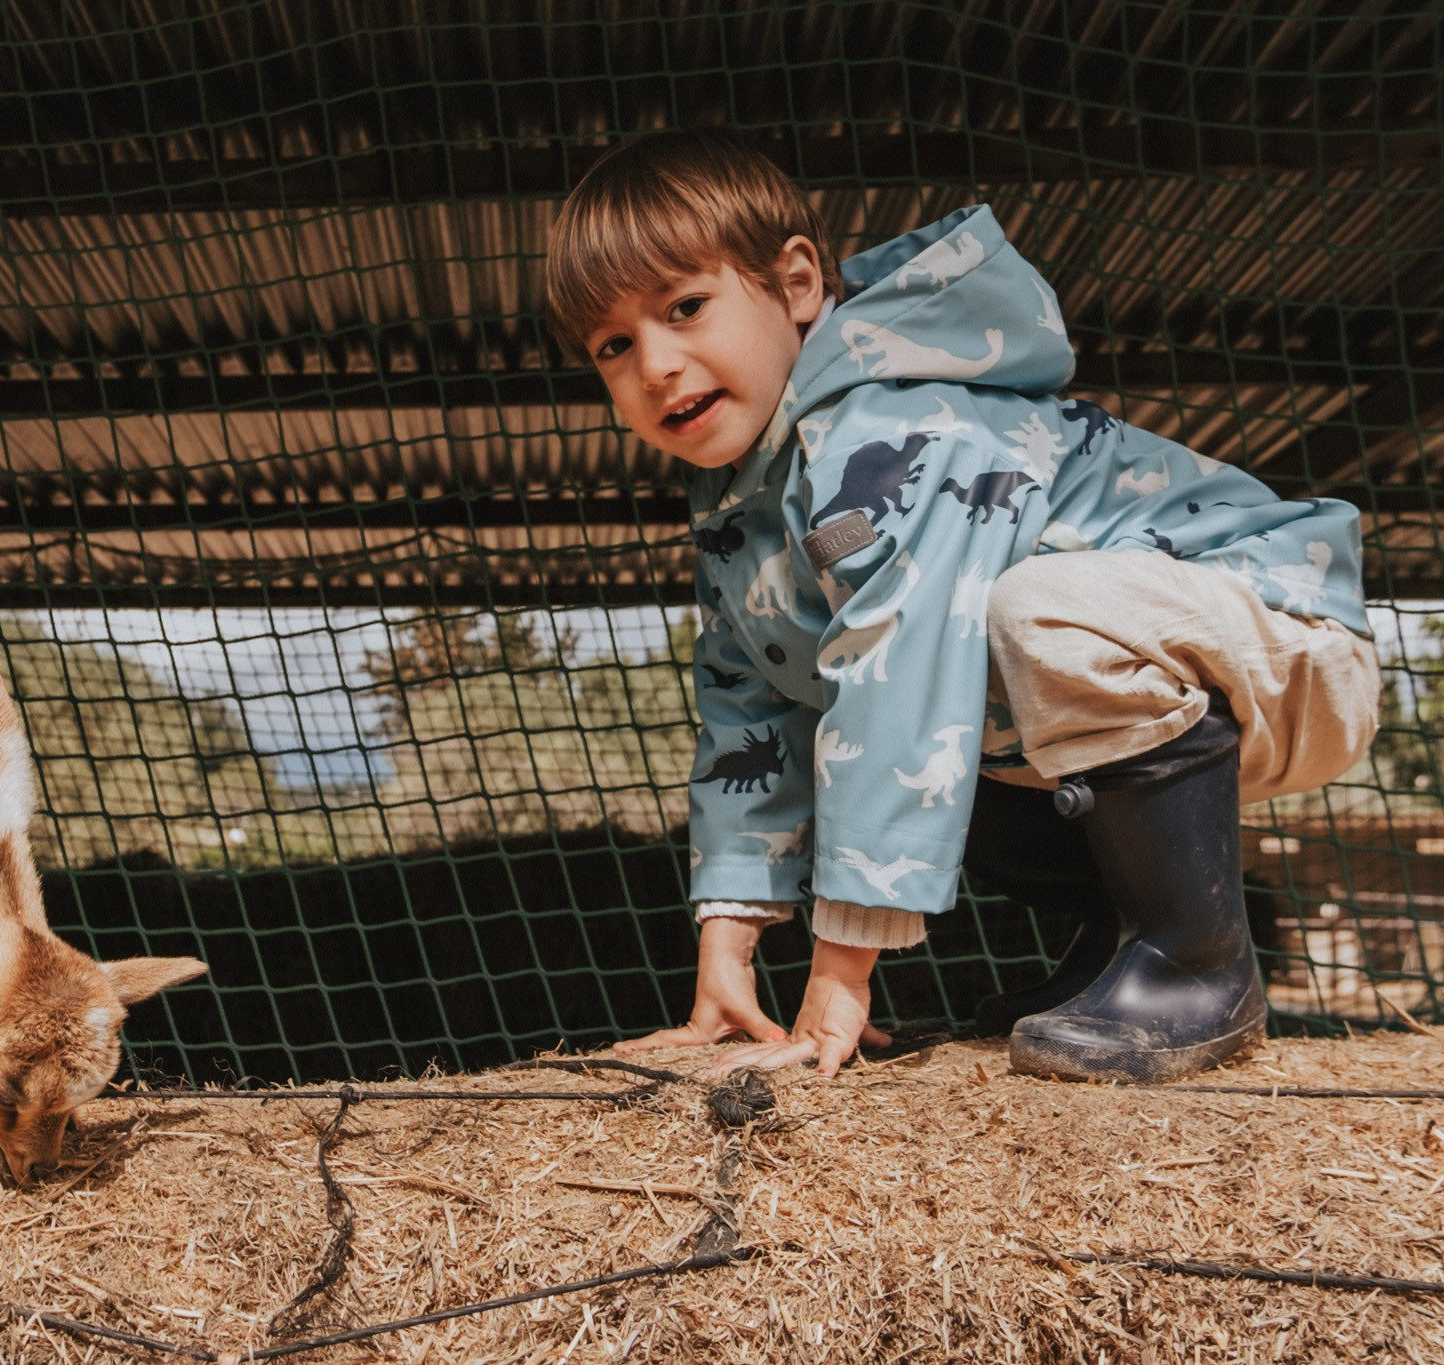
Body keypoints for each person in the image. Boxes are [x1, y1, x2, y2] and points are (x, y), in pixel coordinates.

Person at [543, 128, 1380, 1083]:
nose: (654, 363)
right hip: (1152, 685)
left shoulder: (895, 421)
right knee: (911, 728)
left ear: (799, 285)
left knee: (1008, 630)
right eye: (615, 345)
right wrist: (725, 952)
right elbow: (751, 706)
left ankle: (1197, 960)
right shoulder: (741, 509)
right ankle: (1121, 948)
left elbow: (902, 666)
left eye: (685, 307)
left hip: (1284, 637)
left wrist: (840, 972)